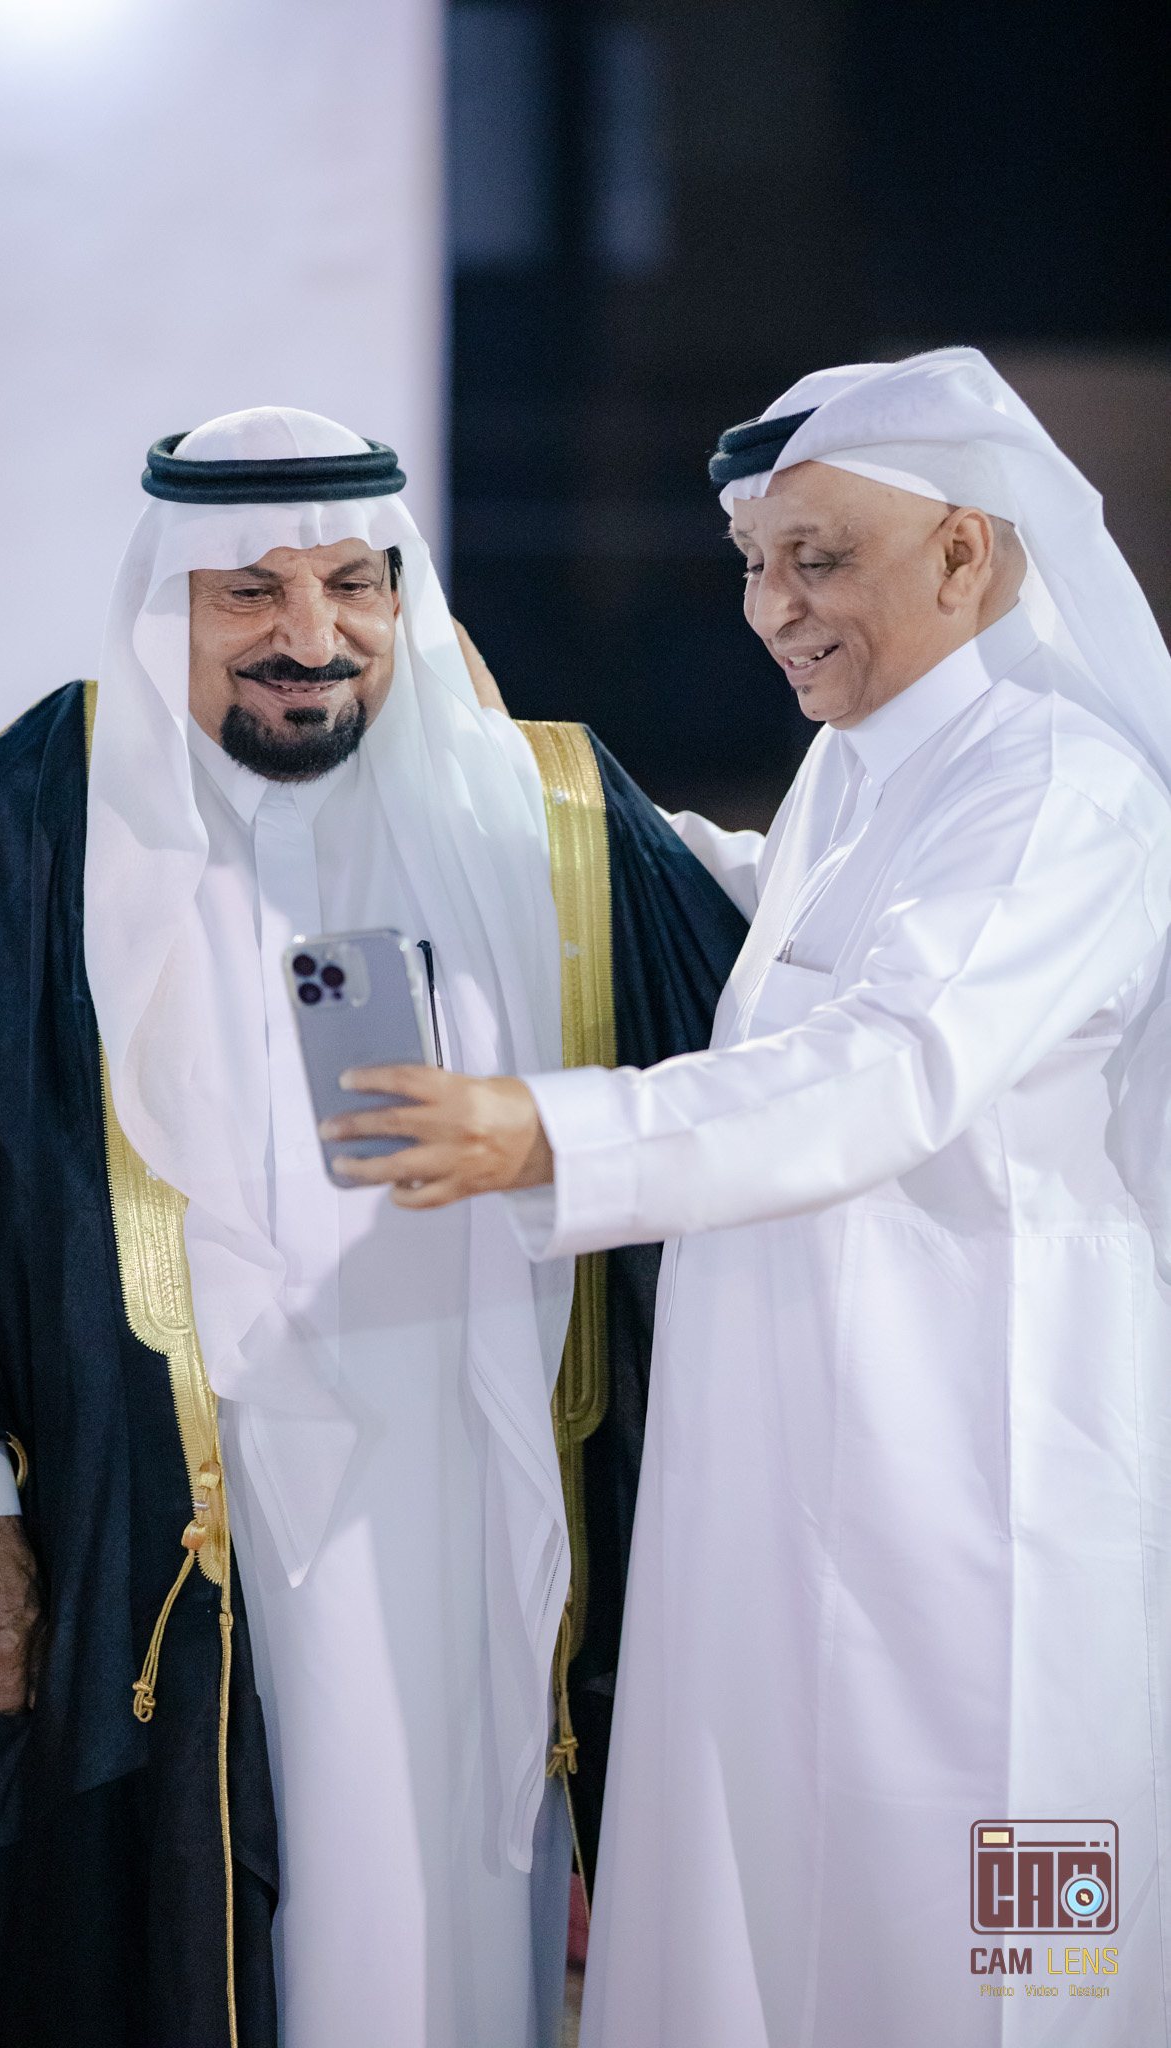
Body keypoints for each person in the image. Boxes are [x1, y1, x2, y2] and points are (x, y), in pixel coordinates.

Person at [0, 407, 748, 2048]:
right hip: (163, 1509)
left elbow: (775, 1041)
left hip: (481, 1494)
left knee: (453, 1926)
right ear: (164, 603)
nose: (308, 636)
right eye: (248, 590)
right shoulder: (39, 807)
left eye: (352, 585)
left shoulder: (551, 813)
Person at [320, 349, 1171, 2045]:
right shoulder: (866, 768)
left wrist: (549, 1134)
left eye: (818, 560)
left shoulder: (1055, 786)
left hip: (977, 1471)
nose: (772, 610)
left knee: (1004, 1929)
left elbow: (888, 1062)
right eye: (753, 566)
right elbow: (741, 922)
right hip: (791, 1460)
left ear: (963, 550)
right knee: (775, 1903)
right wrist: (516, 780)